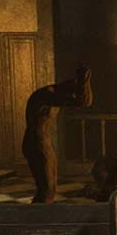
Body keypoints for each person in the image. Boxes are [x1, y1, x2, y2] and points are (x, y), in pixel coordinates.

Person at [22, 65, 92, 203]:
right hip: (35, 142)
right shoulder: (47, 94)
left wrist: (85, 81)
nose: (72, 96)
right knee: (46, 187)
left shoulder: (55, 94)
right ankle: (37, 214)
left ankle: (42, 213)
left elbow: (85, 102)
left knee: (51, 185)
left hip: (42, 141)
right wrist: (84, 81)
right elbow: (82, 101)